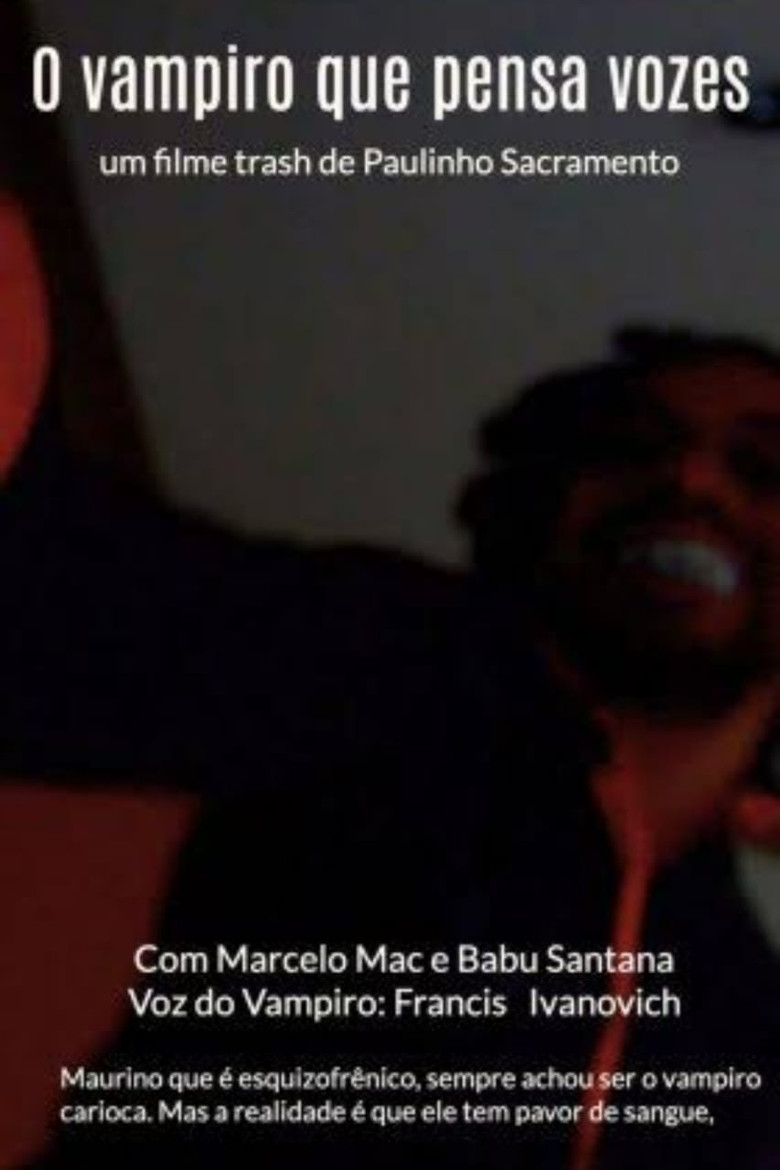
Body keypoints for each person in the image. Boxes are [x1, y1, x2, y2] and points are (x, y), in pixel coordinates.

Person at [17, 321, 778, 1170]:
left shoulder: (740, 1014)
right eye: (632, 445)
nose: (690, 478)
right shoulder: (403, 661)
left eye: (765, 469)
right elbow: (51, 606)